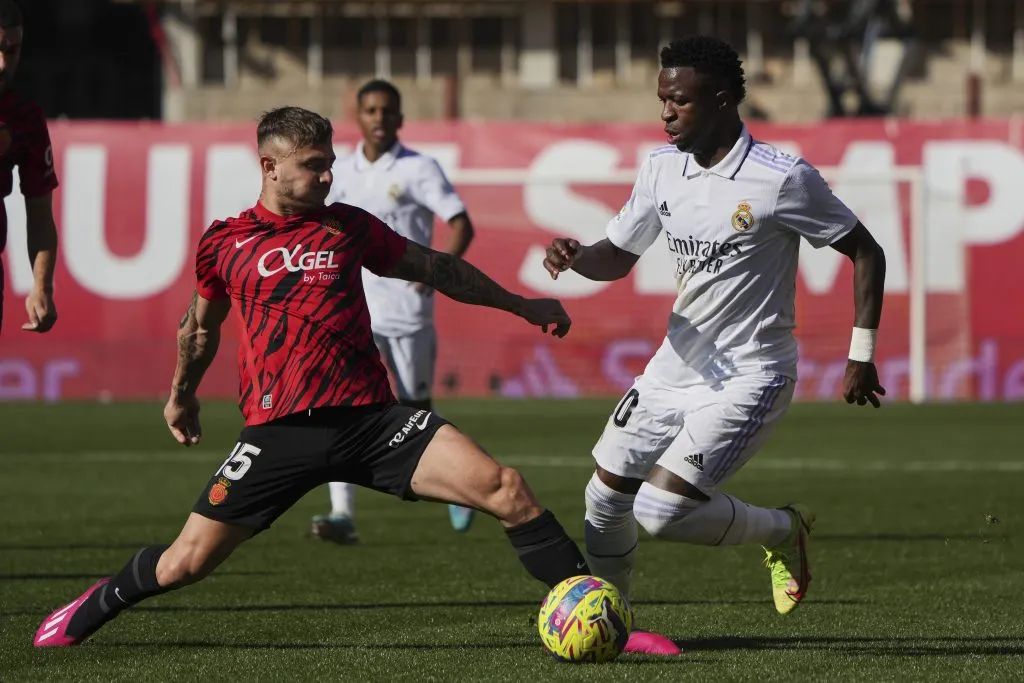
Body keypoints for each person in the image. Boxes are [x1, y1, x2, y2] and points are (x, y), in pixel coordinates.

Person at [34, 106, 591, 648]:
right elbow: (198, 328)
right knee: (184, 563)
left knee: (508, 489)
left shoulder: (348, 226)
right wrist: (182, 395)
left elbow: (436, 268)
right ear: (269, 167)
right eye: (313, 165)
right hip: (278, 434)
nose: (328, 175)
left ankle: (599, 612)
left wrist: (521, 304)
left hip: (374, 423)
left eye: (329, 163)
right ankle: (95, 604)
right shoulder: (224, 242)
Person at [542, 36, 886, 656]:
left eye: (679, 101)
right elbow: (616, 257)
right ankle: (617, 631)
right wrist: (577, 256)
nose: (666, 113)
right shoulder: (660, 168)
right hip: (674, 366)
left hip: (751, 374)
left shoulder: (782, 178)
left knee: (660, 512)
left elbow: (865, 250)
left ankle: (782, 530)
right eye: (662, 100)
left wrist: (862, 353)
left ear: (723, 102)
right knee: (603, 498)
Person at [311, 79, 478, 543]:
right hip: (350, 308)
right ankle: (342, 515)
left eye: (388, 111)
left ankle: (461, 489)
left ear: (400, 118)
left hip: (406, 310)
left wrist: (435, 274)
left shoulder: (419, 168)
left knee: (415, 410)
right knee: (337, 403)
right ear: (359, 116)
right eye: (371, 110)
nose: (379, 118)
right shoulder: (340, 170)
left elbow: (461, 224)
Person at [0, 0, 58, 336]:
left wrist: (42, 287)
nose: (3, 63)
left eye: (12, 50)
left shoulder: (25, 118)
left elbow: (39, 215)